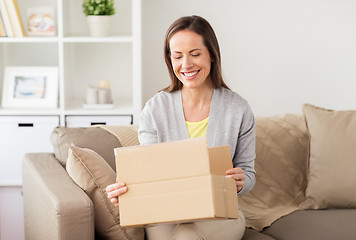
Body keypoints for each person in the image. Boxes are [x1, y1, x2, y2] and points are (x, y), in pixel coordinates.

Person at [106, 15, 256, 240]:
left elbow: (249, 173)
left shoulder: (238, 109)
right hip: (166, 213)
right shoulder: (155, 108)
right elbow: (150, 172)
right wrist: (126, 192)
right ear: (170, 60)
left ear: (212, 55)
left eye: (195, 54)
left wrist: (241, 181)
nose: (186, 64)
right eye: (177, 56)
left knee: (186, 237)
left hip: (221, 214)